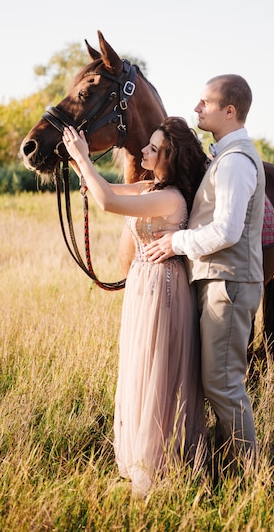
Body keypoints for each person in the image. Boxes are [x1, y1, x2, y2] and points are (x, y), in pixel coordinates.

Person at [62, 116, 208, 496]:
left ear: (168, 158)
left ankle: (159, 465)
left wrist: (83, 157)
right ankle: (142, 459)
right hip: (143, 285)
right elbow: (106, 187)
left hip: (163, 289)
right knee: (139, 364)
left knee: (157, 368)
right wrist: (77, 157)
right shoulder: (150, 185)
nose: (143, 149)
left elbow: (108, 203)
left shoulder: (170, 197)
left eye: (153, 148)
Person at [145, 75, 265, 477]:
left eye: (205, 103)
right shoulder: (226, 158)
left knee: (223, 386)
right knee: (216, 383)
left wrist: (176, 242)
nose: (197, 109)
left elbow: (228, 231)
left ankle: (247, 474)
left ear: (229, 111)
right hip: (219, 282)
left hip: (228, 286)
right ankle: (222, 463)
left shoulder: (234, 163)